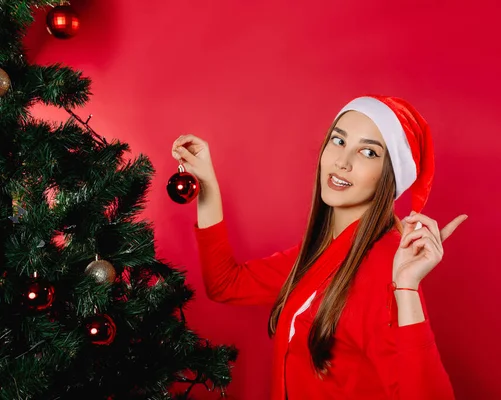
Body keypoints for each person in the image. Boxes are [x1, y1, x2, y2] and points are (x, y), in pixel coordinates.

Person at [171, 95, 468, 400]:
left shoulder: (386, 266)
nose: (343, 161)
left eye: (368, 152)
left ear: (390, 177)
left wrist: (406, 288)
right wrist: (205, 182)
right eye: (338, 141)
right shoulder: (323, 252)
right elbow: (225, 284)